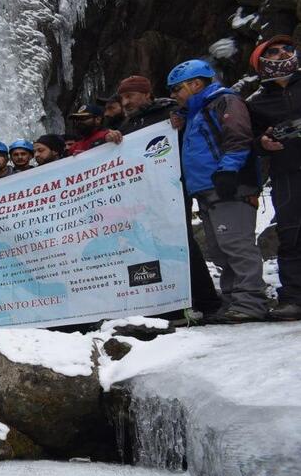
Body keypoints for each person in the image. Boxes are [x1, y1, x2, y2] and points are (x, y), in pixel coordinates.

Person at [115, 74, 221, 320]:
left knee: (181, 241)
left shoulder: (172, 113)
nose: (125, 102)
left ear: (146, 94)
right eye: (122, 97)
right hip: (142, 195)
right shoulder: (127, 126)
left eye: (130, 95)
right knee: (150, 246)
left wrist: (181, 123)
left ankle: (207, 301)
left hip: (171, 188)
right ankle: (168, 303)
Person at [169, 58, 267, 322]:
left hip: (229, 185)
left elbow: (238, 137)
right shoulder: (196, 112)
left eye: (177, 89)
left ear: (196, 83)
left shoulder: (225, 101)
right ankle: (234, 299)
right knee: (220, 249)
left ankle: (251, 302)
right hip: (207, 190)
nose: (174, 96)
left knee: (236, 244)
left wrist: (228, 170)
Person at [248, 35, 301, 319]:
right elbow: (247, 141)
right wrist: (262, 144)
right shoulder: (255, 102)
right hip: (287, 172)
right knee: (291, 233)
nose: (283, 53)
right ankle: (294, 297)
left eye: (288, 49)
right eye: (275, 51)